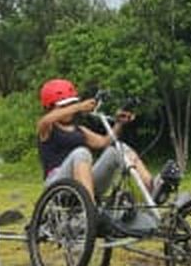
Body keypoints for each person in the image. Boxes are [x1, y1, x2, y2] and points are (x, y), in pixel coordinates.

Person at [36, 78, 159, 233]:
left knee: (118, 148)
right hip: (58, 184)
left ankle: (151, 187)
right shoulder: (47, 128)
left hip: (84, 181)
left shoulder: (79, 129)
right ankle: (91, 212)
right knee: (81, 152)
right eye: (63, 106)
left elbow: (104, 142)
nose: (68, 109)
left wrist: (119, 123)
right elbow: (45, 120)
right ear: (50, 107)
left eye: (71, 104)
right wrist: (79, 107)